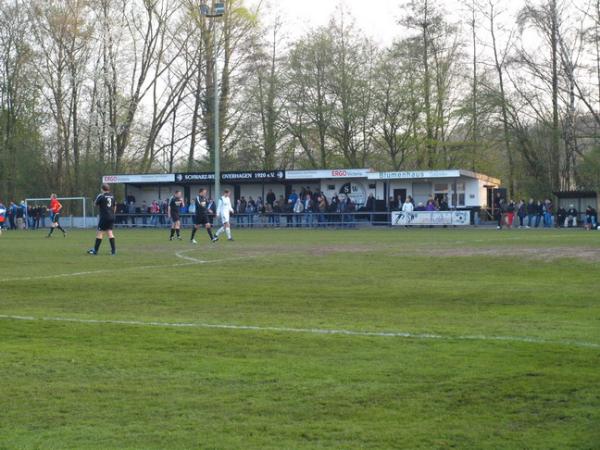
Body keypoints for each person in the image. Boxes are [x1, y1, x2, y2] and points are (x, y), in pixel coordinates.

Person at [87, 184, 116, 255]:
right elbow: (115, 206)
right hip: (111, 217)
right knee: (110, 233)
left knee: (100, 233)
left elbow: (94, 204)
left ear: (102, 189)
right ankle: (113, 251)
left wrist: (98, 197)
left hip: (104, 217)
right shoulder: (112, 196)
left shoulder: (101, 196)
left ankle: (95, 251)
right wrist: (112, 213)